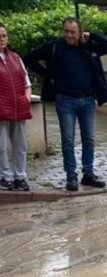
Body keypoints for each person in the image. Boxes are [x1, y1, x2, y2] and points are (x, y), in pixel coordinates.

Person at [24, 17, 107, 192]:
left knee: (89, 139)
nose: (69, 35)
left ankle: (88, 174)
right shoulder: (55, 46)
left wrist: (93, 36)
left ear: (80, 32)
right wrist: (47, 74)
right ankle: (71, 176)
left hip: (87, 99)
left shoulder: (88, 46)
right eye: (66, 31)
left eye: (73, 32)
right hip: (65, 100)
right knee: (68, 140)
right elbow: (29, 59)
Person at [0, 24, 32, 192]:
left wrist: (26, 100)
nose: (2, 39)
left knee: (20, 145)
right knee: (1, 146)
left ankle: (20, 177)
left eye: (4, 35)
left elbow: (27, 83)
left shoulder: (15, 57)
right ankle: (5, 177)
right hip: (1, 110)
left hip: (18, 108)